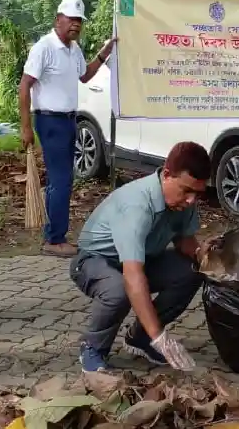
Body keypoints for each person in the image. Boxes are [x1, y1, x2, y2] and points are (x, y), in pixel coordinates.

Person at [70, 141, 210, 372]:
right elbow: (132, 277)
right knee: (119, 290)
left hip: (142, 259)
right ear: (167, 174)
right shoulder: (137, 205)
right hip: (94, 261)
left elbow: (185, 242)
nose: (191, 200)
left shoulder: (184, 203)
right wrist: (160, 336)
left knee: (192, 270)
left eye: (197, 193)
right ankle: (92, 348)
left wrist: (207, 258)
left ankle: (140, 338)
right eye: (186, 191)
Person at [19, 0, 116, 257]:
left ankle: (52, 234)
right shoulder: (44, 47)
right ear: (58, 20)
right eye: (70, 19)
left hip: (69, 119)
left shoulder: (74, 49)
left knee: (59, 181)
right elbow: (25, 84)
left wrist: (104, 54)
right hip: (50, 120)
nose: (75, 25)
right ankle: (54, 239)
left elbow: (84, 75)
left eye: (79, 21)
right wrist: (25, 126)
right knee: (61, 181)